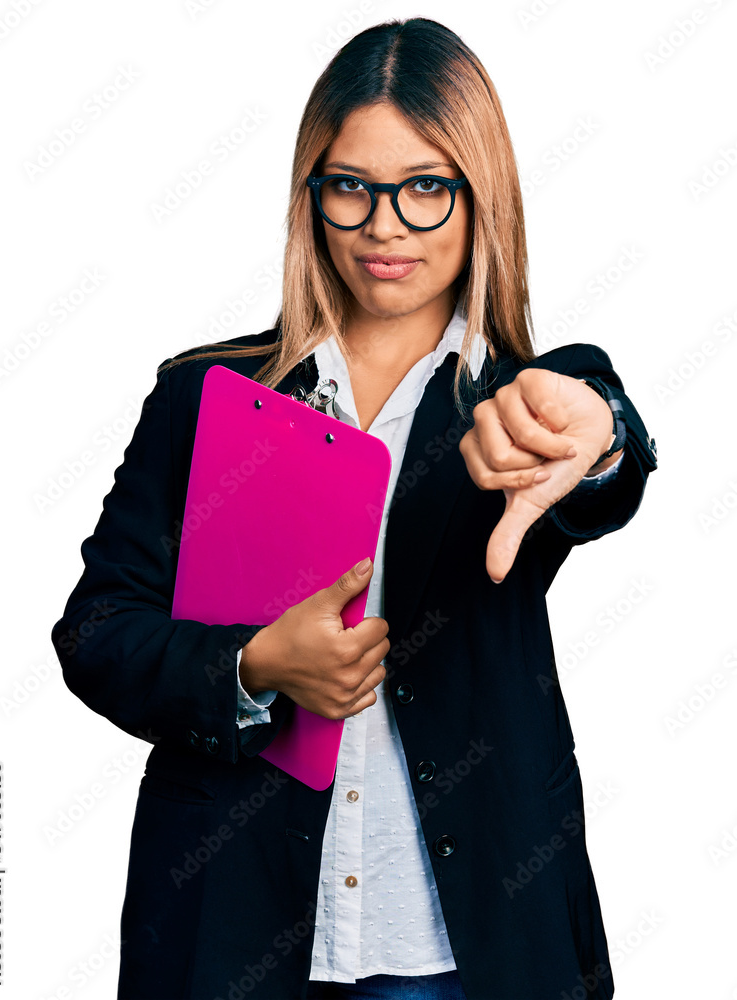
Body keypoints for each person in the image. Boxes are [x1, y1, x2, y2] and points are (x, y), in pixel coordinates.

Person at [51, 17, 658, 1000]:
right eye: (352, 187)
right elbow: (96, 631)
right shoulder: (202, 402)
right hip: (237, 937)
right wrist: (252, 667)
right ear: (312, 194)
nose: (385, 226)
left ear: (480, 196)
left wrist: (606, 431)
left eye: (426, 187)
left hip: (461, 948)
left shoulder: (520, 404)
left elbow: (597, 445)